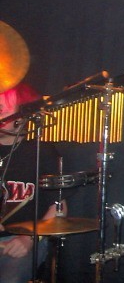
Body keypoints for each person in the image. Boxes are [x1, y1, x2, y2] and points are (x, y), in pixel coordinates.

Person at [0, 82, 65, 283]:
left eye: (2, 110)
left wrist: (29, 239)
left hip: (24, 240)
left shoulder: (41, 152)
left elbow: (59, 208)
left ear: (22, 115)